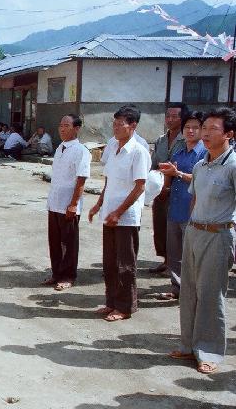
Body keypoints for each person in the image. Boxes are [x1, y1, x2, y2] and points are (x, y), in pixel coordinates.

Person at [172, 107, 236, 374]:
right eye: (204, 128)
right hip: (195, 232)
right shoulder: (200, 165)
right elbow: (195, 199)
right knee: (189, 292)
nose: (206, 134)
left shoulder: (232, 166)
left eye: (213, 129)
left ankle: (208, 351)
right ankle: (189, 346)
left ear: (229, 134)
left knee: (210, 294)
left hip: (218, 235)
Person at [88, 105, 150, 322]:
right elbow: (109, 181)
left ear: (133, 126)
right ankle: (111, 302)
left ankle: (125, 306)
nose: (115, 128)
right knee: (110, 262)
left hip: (126, 217)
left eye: (120, 124)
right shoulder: (113, 146)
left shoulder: (138, 151)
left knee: (125, 264)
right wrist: (99, 204)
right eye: (113, 123)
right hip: (110, 214)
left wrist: (119, 211)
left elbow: (140, 186)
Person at [155, 111, 205, 301]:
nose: (191, 131)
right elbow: (171, 175)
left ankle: (192, 292)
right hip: (174, 208)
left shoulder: (205, 154)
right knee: (174, 253)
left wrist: (178, 174)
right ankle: (177, 289)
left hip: (192, 211)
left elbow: (201, 178)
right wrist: (165, 181)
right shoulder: (178, 152)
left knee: (191, 255)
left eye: (195, 128)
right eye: (187, 128)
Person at [43, 115, 91, 291]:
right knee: (54, 242)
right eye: (60, 125)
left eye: (66, 125)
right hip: (54, 202)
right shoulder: (59, 148)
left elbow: (81, 180)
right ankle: (56, 273)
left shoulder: (81, 151)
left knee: (68, 243)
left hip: (68, 204)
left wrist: (73, 204)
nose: (62, 129)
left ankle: (68, 276)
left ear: (76, 128)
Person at [149, 103, 188, 275]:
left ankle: (176, 267)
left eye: (175, 116)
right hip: (159, 189)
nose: (170, 119)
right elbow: (153, 163)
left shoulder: (186, 140)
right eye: (168, 116)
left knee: (177, 230)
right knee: (160, 226)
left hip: (178, 190)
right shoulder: (160, 140)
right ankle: (165, 260)